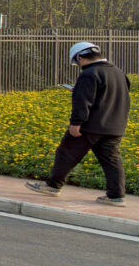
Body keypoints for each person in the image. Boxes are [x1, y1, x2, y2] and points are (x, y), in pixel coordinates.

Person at [26, 42, 130, 206]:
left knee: (66, 153)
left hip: (90, 126)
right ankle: (115, 196)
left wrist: (76, 123)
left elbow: (83, 101)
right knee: (112, 161)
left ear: (80, 58)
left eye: (76, 62)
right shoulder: (118, 72)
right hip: (115, 126)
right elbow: (112, 95)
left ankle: (54, 186)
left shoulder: (89, 74)